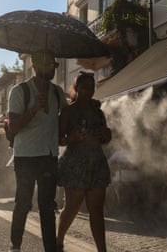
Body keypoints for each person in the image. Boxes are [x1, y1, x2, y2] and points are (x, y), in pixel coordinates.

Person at [7, 52, 67, 252]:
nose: (53, 67)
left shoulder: (58, 93)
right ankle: (15, 245)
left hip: (49, 156)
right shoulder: (20, 91)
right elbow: (13, 127)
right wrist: (33, 109)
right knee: (23, 203)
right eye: (49, 63)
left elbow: (64, 122)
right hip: (25, 157)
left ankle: (50, 248)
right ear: (35, 64)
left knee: (47, 207)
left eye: (54, 64)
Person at [57, 72, 111, 252]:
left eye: (92, 87)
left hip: (97, 162)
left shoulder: (99, 112)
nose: (89, 91)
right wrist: (70, 138)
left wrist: (107, 135)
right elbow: (58, 139)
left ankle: (102, 250)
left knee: (96, 210)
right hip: (75, 164)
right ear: (77, 88)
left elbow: (105, 136)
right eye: (85, 87)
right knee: (72, 207)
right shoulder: (67, 112)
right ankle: (59, 240)